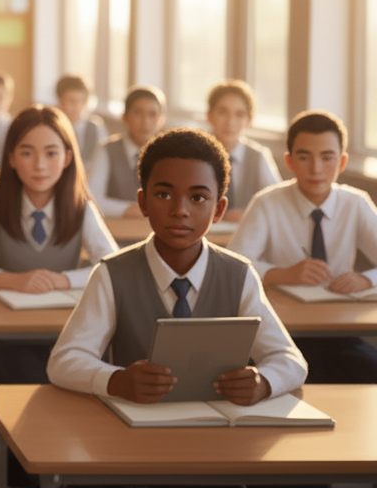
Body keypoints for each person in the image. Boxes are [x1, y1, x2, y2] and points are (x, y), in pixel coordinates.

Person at [48, 128, 306, 404]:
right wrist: (115, 380)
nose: (180, 210)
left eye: (197, 198)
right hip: (133, 432)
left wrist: (264, 382)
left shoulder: (239, 274)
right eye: (163, 195)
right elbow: (63, 361)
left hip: (221, 430)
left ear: (218, 210)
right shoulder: (112, 274)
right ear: (142, 202)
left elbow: (290, 360)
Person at [0, 105, 117, 383]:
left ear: (68, 157)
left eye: (51, 153)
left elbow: (111, 264)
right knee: (20, 370)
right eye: (27, 153)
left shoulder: (82, 208)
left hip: (67, 330)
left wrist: (62, 280)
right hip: (10, 336)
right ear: (11, 158)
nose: (40, 165)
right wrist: (13, 280)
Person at [227, 110, 377, 382]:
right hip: (279, 334)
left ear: (342, 161)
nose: (316, 168)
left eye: (327, 157)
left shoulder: (356, 203)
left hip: (339, 332)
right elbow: (234, 265)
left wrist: (366, 279)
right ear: (289, 161)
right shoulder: (267, 203)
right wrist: (281, 274)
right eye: (304, 157)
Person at [87, 84, 166, 218]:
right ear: (125, 117)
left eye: (152, 114)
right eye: (138, 113)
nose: (145, 121)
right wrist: (128, 210)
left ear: (161, 120)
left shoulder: (169, 153)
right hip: (117, 232)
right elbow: (92, 198)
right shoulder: (107, 149)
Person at [206, 79, 280, 220]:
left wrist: (249, 214)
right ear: (209, 115)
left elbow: (278, 202)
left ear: (250, 120)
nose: (230, 122)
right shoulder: (194, 152)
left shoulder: (258, 156)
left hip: (245, 233)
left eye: (239, 114)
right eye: (223, 112)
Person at [56, 74, 106, 168]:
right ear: (60, 101)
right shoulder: (53, 126)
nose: (77, 106)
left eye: (82, 101)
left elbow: (101, 160)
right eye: (71, 101)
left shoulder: (96, 127)